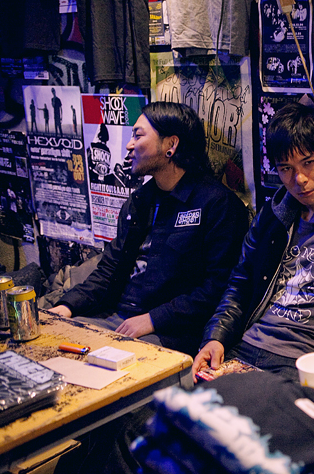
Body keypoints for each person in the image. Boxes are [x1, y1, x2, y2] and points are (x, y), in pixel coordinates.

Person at [192, 102, 314, 383]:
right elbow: (240, 283)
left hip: (309, 360)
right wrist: (215, 337)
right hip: (246, 347)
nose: (299, 179)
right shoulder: (274, 215)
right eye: (286, 168)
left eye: (309, 162)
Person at [47, 102, 249, 356]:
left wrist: (153, 319)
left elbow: (219, 287)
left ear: (171, 145)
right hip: (116, 317)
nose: (129, 145)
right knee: (49, 342)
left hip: (170, 331)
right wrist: (67, 306)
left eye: (138, 135)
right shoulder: (140, 200)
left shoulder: (217, 204)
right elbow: (109, 269)